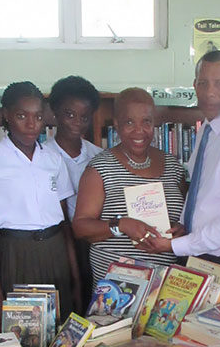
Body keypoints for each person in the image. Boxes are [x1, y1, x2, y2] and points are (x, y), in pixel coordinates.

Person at [141, 51, 220, 300]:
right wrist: (185, 225)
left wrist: (175, 245)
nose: (210, 92)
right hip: (197, 250)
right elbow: (202, 189)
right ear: (194, 86)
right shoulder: (207, 128)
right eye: (202, 83)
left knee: (214, 336)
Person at [0, 81, 80, 331]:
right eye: (22, 116)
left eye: (38, 116)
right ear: (6, 116)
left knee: (59, 329)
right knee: (24, 333)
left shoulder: (53, 160)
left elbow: (65, 223)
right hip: (15, 254)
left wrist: (75, 277)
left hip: (55, 252)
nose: (31, 124)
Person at [72, 87, 186, 284]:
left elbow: (184, 217)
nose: (139, 130)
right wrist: (122, 224)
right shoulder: (100, 168)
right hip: (117, 288)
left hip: (166, 286)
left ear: (154, 123)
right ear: (116, 124)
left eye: (146, 122)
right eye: (130, 122)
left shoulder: (173, 166)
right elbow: (81, 227)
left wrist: (180, 229)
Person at [47, 76, 102, 306]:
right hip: (59, 244)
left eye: (84, 117)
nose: (77, 122)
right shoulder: (42, 156)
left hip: (95, 240)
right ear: (55, 113)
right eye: (69, 114)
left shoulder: (99, 156)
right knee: (69, 304)